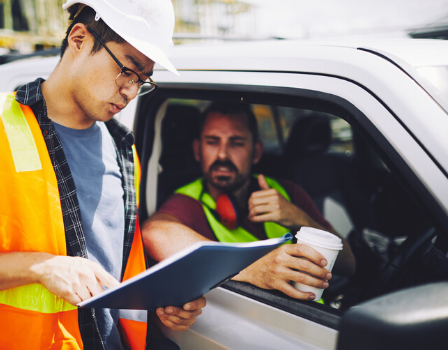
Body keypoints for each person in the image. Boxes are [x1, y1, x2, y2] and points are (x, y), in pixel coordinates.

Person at [0, 1, 205, 349]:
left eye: (142, 80)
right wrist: (40, 267)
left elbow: (114, 268)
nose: (130, 90)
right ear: (79, 39)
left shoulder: (123, 149)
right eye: (127, 69)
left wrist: (159, 303)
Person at [143, 102, 356, 301]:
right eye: (212, 142)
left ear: (256, 152)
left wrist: (296, 218)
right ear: (197, 150)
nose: (223, 154)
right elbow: (154, 233)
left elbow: (348, 265)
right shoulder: (189, 201)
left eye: (236, 143)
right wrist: (252, 268)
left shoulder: (286, 192)